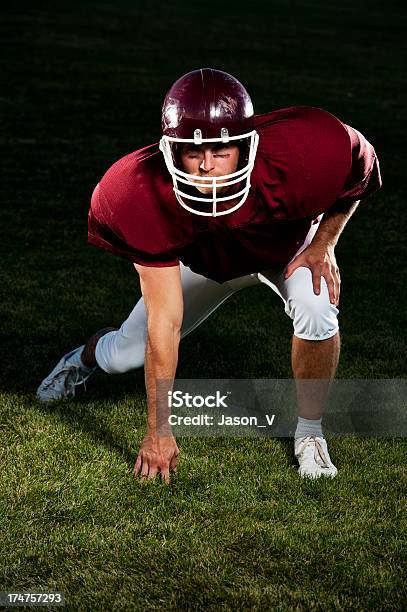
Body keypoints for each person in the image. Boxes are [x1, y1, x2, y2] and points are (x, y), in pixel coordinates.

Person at [37, 68, 382, 482]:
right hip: (202, 265)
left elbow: (360, 169)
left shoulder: (307, 146)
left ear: (245, 146)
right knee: (125, 355)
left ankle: (310, 433)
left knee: (317, 305)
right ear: (170, 151)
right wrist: (158, 429)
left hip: (285, 252)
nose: (206, 167)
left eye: (220, 153)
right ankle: (84, 357)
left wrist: (324, 242)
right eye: (192, 154)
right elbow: (166, 319)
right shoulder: (135, 190)